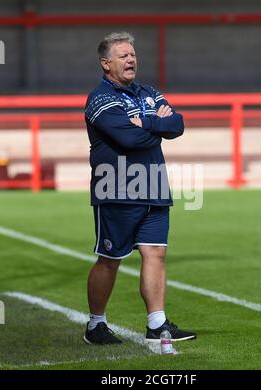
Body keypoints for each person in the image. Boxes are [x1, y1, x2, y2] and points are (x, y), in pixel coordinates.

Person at [84, 32, 196, 345]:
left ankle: (157, 324)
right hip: (116, 188)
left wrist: (144, 123)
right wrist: (156, 124)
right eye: (123, 56)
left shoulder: (148, 92)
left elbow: (177, 124)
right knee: (110, 258)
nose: (131, 59)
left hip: (154, 186)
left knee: (156, 253)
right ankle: (96, 325)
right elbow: (128, 140)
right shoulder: (100, 98)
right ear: (106, 64)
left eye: (133, 54)